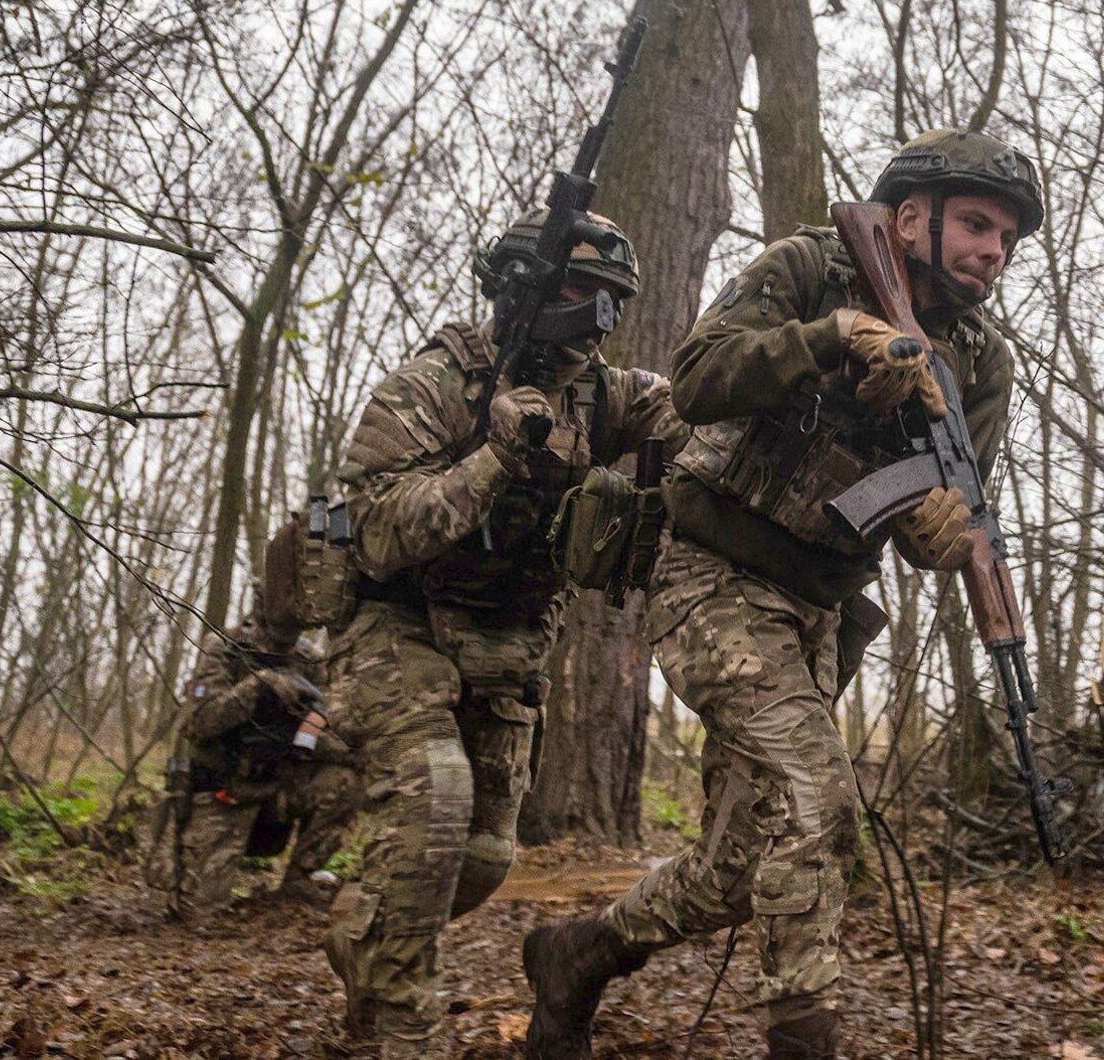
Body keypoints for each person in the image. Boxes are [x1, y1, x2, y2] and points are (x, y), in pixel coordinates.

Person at [521, 129, 1043, 1060]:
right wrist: (829, 338)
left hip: (819, 615)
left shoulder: (982, 364)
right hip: (709, 572)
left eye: (1006, 238)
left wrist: (940, 533)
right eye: (974, 225)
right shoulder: (812, 266)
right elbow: (697, 377)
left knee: (738, 869)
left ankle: (579, 954)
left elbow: (948, 510)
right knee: (819, 797)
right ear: (910, 218)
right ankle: (805, 1043)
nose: (992, 251)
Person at [323, 209, 687, 1056]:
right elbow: (374, 530)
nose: (595, 314)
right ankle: (403, 1033)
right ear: (522, 285)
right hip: (396, 624)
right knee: (436, 809)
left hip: (508, 645)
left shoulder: (606, 393)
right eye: (577, 288)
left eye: (610, 297)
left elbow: (693, 422)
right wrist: (491, 459)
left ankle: (362, 932)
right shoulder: (434, 384)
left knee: (482, 858)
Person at [151, 604, 358, 920]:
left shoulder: (311, 660)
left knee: (347, 780)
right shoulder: (225, 647)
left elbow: (323, 728)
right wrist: (258, 688)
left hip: (277, 786)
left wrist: (352, 752)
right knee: (198, 913)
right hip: (224, 792)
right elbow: (196, 723)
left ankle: (299, 880)